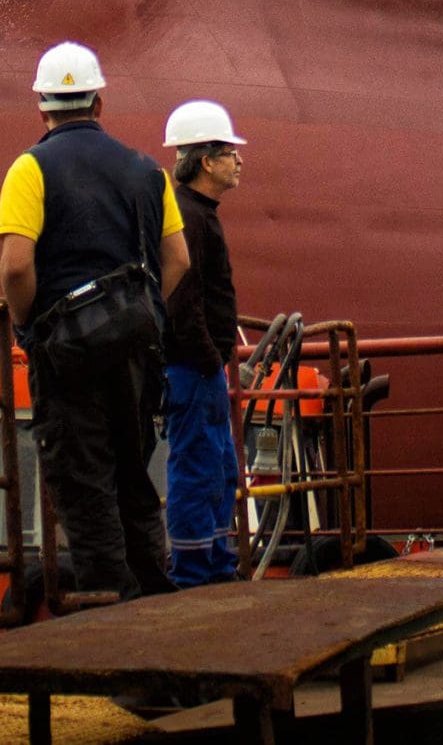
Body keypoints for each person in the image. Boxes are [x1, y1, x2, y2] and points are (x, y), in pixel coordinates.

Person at [0, 42, 190, 600]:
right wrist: (145, 311)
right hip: (137, 353)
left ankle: (111, 623)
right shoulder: (148, 171)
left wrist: (28, 327)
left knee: (84, 486)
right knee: (133, 476)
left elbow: (15, 268)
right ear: (98, 103)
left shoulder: (30, 169)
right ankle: (155, 602)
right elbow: (178, 260)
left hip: (68, 358)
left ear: (42, 108)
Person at [160, 100, 247, 587]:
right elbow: (183, 299)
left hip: (200, 367)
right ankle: (195, 573)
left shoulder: (195, 213)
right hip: (193, 369)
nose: (239, 160)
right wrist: (211, 358)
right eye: (230, 151)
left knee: (218, 468)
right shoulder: (191, 218)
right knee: (198, 467)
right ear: (206, 160)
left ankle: (215, 562)